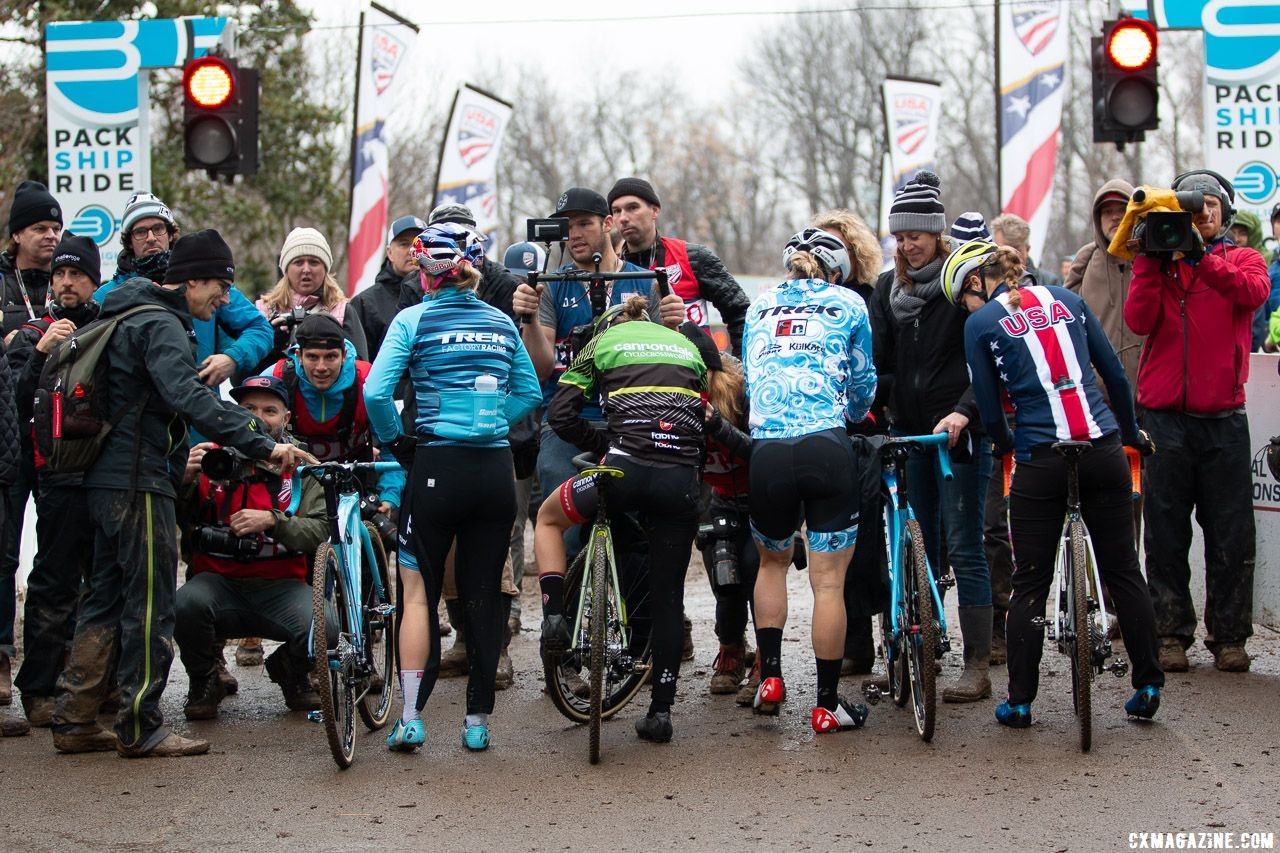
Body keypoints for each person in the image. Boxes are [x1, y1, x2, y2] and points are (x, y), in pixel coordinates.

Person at [48, 229, 315, 758]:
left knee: (102, 595)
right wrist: (261, 443)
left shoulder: (123, 311)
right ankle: (141, 726)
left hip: (104, 478)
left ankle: (75, 716)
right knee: (149, 604)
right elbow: (185, 394)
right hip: (137, 481)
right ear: (190, 280)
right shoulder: (161, 323)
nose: (222, 300)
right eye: (218, 287)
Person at [947, 239, 1164, 726]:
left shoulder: (980, 325)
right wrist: (1130, 433)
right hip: (1103, 445)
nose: (967, 308)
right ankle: (1148, 682)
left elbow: (986, 400)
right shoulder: (1069, 301)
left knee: (1029, 584)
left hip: (1040, 457)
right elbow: (1115, 378)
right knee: (1124, 571)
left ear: (976, 282)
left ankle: (1020, 701)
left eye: (964, 298)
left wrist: (1007, 448)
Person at [366, 222, 540, 753]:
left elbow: (376, 393)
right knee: (484, 598)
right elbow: (529, 392)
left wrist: (401, 445)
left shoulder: (412, 319)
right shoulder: (500, 321)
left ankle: (412, 719)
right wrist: (486, 422)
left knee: (417, 595)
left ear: (424, 272)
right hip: (492, 471)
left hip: (436, 466)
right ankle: (477, 725)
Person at [535, 295, 706, 743]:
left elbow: (561, 412)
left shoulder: (602, 342)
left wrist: (603, 440)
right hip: (679, 480)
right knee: (668, 598)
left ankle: (554, 615)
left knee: (548, 520)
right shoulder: (683, 345)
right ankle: (661, 712)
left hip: (620, 471)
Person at [1123, 170, 1270, 673]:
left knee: (1231, 532)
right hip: (1164, 418)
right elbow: (1139, 321)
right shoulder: (1160, 266)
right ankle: (1169, 634)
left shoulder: (1242, 258)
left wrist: (1202, 259)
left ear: (1225, 213)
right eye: (1194, 206)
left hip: (1223, 418)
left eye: (1212, 205)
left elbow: (1253, 293)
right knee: (1165, 531)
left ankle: (1229, 637)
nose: (1204, 214)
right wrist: (1148, 262)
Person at [743, 228, 875, 735]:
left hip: (768, 450)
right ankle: (826, 705)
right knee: (828, 582)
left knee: (772, 565)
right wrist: (855, 414)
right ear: (837, 270)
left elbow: (754, 379)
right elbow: (863, 382)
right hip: (826, 445)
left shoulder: (760, 305)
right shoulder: (848, 302)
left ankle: (771, 678)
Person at [869, 170, 993, 703]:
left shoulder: (962, 280)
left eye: (916, 234)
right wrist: (875, 407)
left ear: (938, 235)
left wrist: (965, 412)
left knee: (966, 546)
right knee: (914, 544)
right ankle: (914, 646)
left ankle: (978, 666)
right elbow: (877, 362)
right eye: (899, 236)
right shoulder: (885, 288)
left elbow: (988, 358)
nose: (907, 244)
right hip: (907, 433)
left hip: (960, 433)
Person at [511, 187, 684, 513]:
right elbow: (540, 370)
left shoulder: (646, 281)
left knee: (633, 535)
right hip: (566, 423)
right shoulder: (550, 285)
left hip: (634, 421)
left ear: (607, 224)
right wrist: (529, 320)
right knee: (566, 523)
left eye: (583, 224)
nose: (574, 234)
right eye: (566, 227)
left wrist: (674, 326)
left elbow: (668, 363)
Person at [174, 376, 329, 720]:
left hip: (282, 588)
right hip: (217, 585)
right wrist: (179, 481)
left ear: (286, 419)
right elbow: (174, 523)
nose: (260, 418)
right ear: (233, 414)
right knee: (184, 604)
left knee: (327, 625)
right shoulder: (209, 460)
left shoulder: (301, 466)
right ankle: (204, 680)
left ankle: (291, 672)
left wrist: (274, 521)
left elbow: (320, 530)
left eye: (270, 410)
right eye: (249, 409)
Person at [6, 234, 103, 727]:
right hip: (55, 473)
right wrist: (42, 353)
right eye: (61, 274)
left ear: (93, 281)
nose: (67, 283)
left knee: (104, 583)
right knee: (52, 580)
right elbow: (19, 404)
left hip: (104, 473)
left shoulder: (109, 327)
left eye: (77, 275)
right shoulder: (32, 333)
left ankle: (91, 685)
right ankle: (38, 688)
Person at [811, 209, 890, 678]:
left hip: (866, 425)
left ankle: (894, 629)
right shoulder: (803, 304)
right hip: (823, 429)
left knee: (868, 542)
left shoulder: (870, 298)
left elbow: (881, 360)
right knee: (834, 543)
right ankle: (853, 642)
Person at [97, 192, 273, 388]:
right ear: (129, 241)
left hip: (200, 407)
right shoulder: (108, 295)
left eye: (158, 228)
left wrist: (231, 358)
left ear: (171, 233)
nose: (151, 238)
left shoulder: (212, 286)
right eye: (140, 232)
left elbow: (260, 328)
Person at [1, 181, 62, 702]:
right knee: (3, 554)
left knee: (57, 556)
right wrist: (26, 339)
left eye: (55, 228)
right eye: (41, 227)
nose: (50, 235)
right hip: (6, 438)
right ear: (17, 233)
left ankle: (46, 673)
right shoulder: (2, 283)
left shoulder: (69, 282)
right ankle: (1, 660)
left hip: (58, 440)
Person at [261, 313, 404, 513]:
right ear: (298, 355)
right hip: (293, 481)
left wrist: (389, 496)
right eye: (312, 357)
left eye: (331, 357)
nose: (321, 367)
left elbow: (395, 448)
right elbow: (249, 438)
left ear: (344, 355)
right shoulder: (274, 379)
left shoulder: (368, 383)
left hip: (355, 483)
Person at [607, 177, 751, 356]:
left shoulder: (693, 257)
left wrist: (739, 368)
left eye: (632, 207)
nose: (623, 218)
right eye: (616, 211)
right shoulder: (611, 272)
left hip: (696, 377)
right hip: (637, 379)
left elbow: (741, 313)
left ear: (654, 210)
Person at [255, 227, 368, 368]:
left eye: (314, 262)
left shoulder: (343, 311)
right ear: (286, 269)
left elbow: (360, 368)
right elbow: (242, 374)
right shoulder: (264, 310)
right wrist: (272, 344)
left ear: (325, 269)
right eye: (298, 262)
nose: (306, 269)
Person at [349, 214, 426, 362]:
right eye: (404, 244)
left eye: (418, 244)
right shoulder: (365, 303)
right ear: (389, 252)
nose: (412, 251)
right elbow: (359, 364)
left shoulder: (442, 296)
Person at [991, 212, 1061, 287]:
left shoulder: (1049, 283)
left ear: (1027, 250)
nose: (1010, 255)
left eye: (1016, 250)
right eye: (1004, 250)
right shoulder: (984, 286)